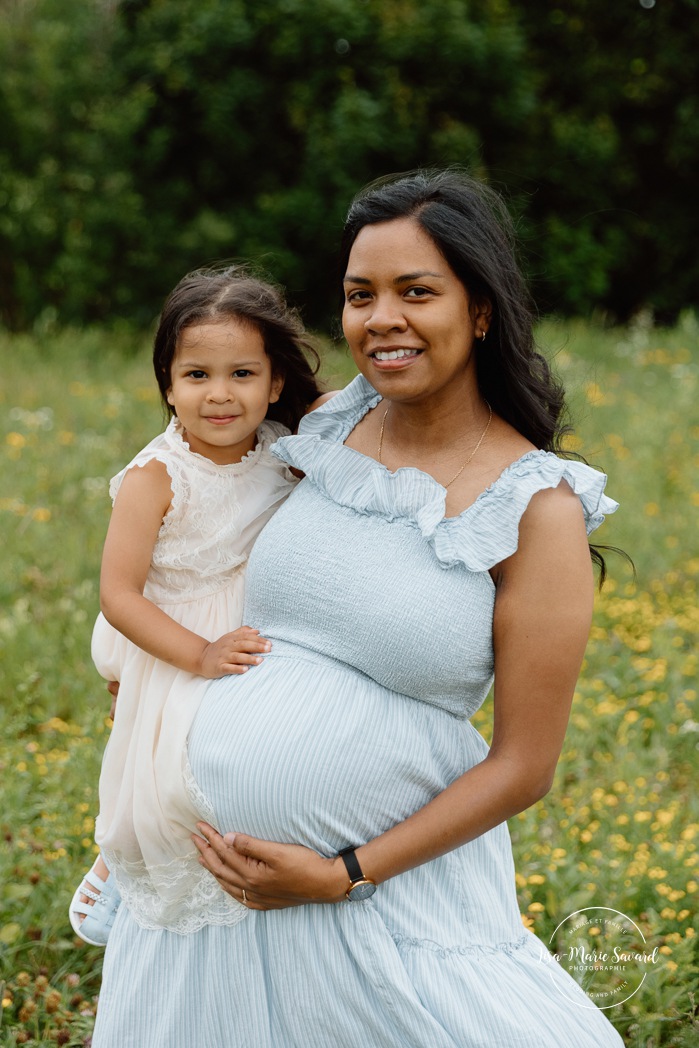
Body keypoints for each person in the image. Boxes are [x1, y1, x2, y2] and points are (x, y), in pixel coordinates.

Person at [92, 171, 624, 1047]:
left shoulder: (536, 510)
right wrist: (154, 674)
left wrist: (343, 871)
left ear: (480, 310)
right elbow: (196, 511)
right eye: (359, 294)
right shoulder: (326, 429)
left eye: (417, 291)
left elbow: (524, 765)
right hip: (205, 892)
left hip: (374, 905)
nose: (382, 318)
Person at [69, 267, 321, 944]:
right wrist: (199, 654)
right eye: (196, 375)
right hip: (175, 638)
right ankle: (121, 870)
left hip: (254, 629)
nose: (219, 395)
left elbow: (354, 413)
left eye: (242, 374)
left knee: (260, 766)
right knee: (174, 782)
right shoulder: (156, 476)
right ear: (169, 386)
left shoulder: (281, 448)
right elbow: (118, 594)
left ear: (274, 383)